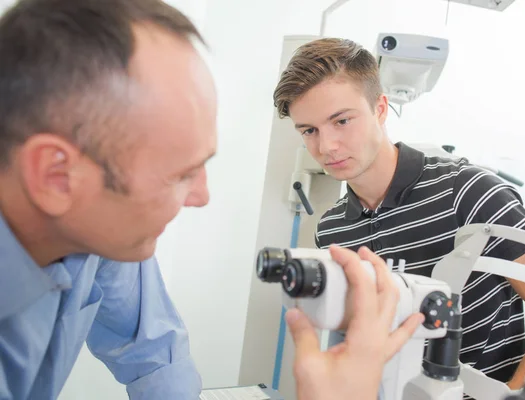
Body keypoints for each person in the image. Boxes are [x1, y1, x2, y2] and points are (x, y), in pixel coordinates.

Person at [0, 1, 424, 399]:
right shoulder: (334, 226)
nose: (202, 197)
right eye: (180, 173)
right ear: (55, 176)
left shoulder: (101, 236)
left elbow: (154, 353)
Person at [273, 37, 525, 398]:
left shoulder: (466, 192)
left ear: (381, 109)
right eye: (309, 131)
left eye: (341, 121)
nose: (326, 146)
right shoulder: (331, 229)